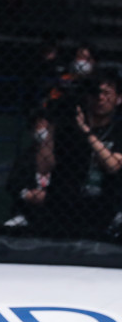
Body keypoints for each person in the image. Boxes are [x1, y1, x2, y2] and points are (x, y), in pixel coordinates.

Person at [42, 69, 122, 237]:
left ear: (118, 98)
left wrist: (87, 132)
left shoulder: (118, 131)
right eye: (95, 93)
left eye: (107, 93)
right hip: (63, 206)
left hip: (102, 208)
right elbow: (44, 166)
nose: (100, 98)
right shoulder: (69, 128)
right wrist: (52, 124)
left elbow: (113, 166)